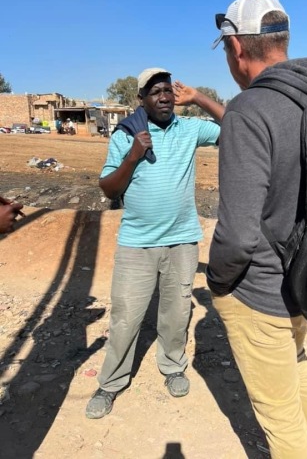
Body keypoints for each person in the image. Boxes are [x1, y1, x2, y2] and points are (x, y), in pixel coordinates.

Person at [205, 0, 307, 458]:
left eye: (226, 51)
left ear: (236, 48)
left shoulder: (250, 109)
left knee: (280, 415)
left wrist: (218, 283)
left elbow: (239, 233)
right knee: (300, 367)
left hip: (261, 292)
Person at [85, 67, 225, 419]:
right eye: (155, 91)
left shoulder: (190, 129)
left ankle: (173, 365)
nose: (164, 96)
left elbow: (235, 124)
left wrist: (199, 98)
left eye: (168, 90)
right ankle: (110, 383)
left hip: (182, 241)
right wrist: (133, 155)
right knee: (126, 317)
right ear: (142, 99)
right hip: (137, 243)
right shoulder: (125, 135)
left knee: (176, 312)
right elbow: (108, 189)